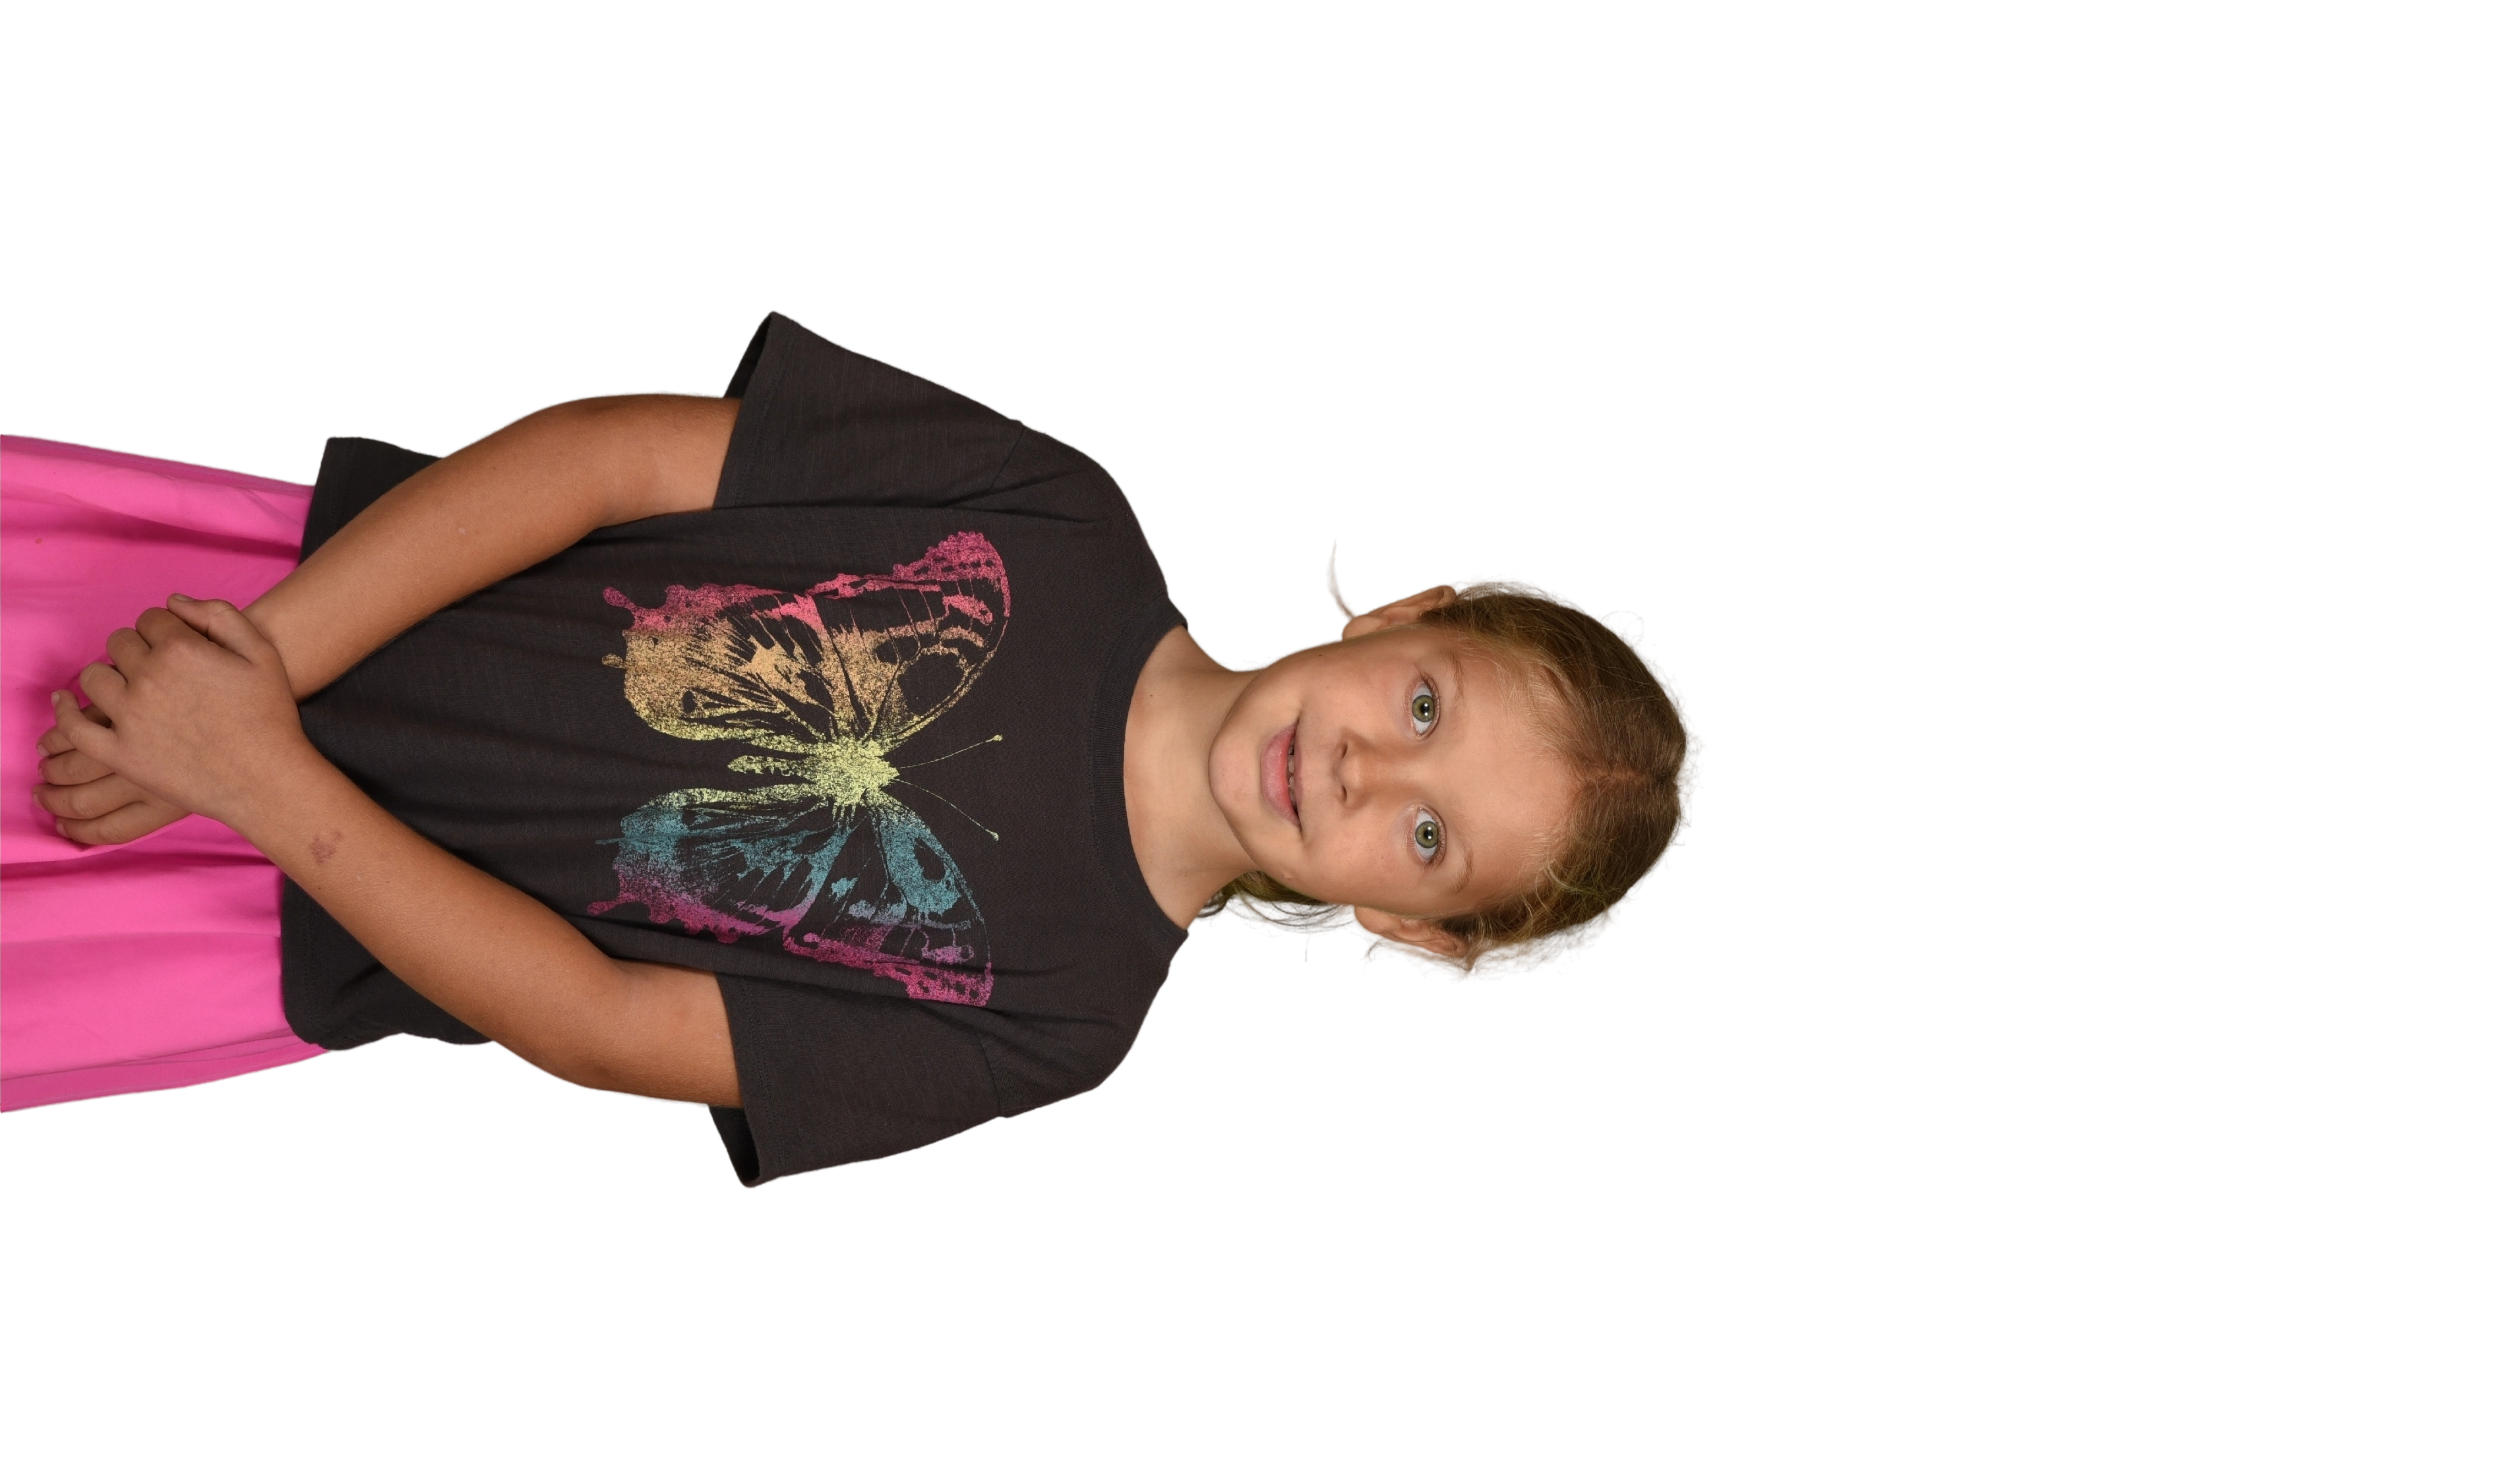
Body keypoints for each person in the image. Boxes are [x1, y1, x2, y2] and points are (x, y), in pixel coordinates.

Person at [11, 309, 1704, 1183]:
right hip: (249, 605)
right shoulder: (1062, 511)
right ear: (1409, 612)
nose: (1362, 774)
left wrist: (261, 780)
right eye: (1424, 711)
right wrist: (255, 675)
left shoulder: (1059, 1030)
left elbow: (608, 1028)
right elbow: (608, 457)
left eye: (1427, 838)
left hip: (231, 918)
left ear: (1414, 933)